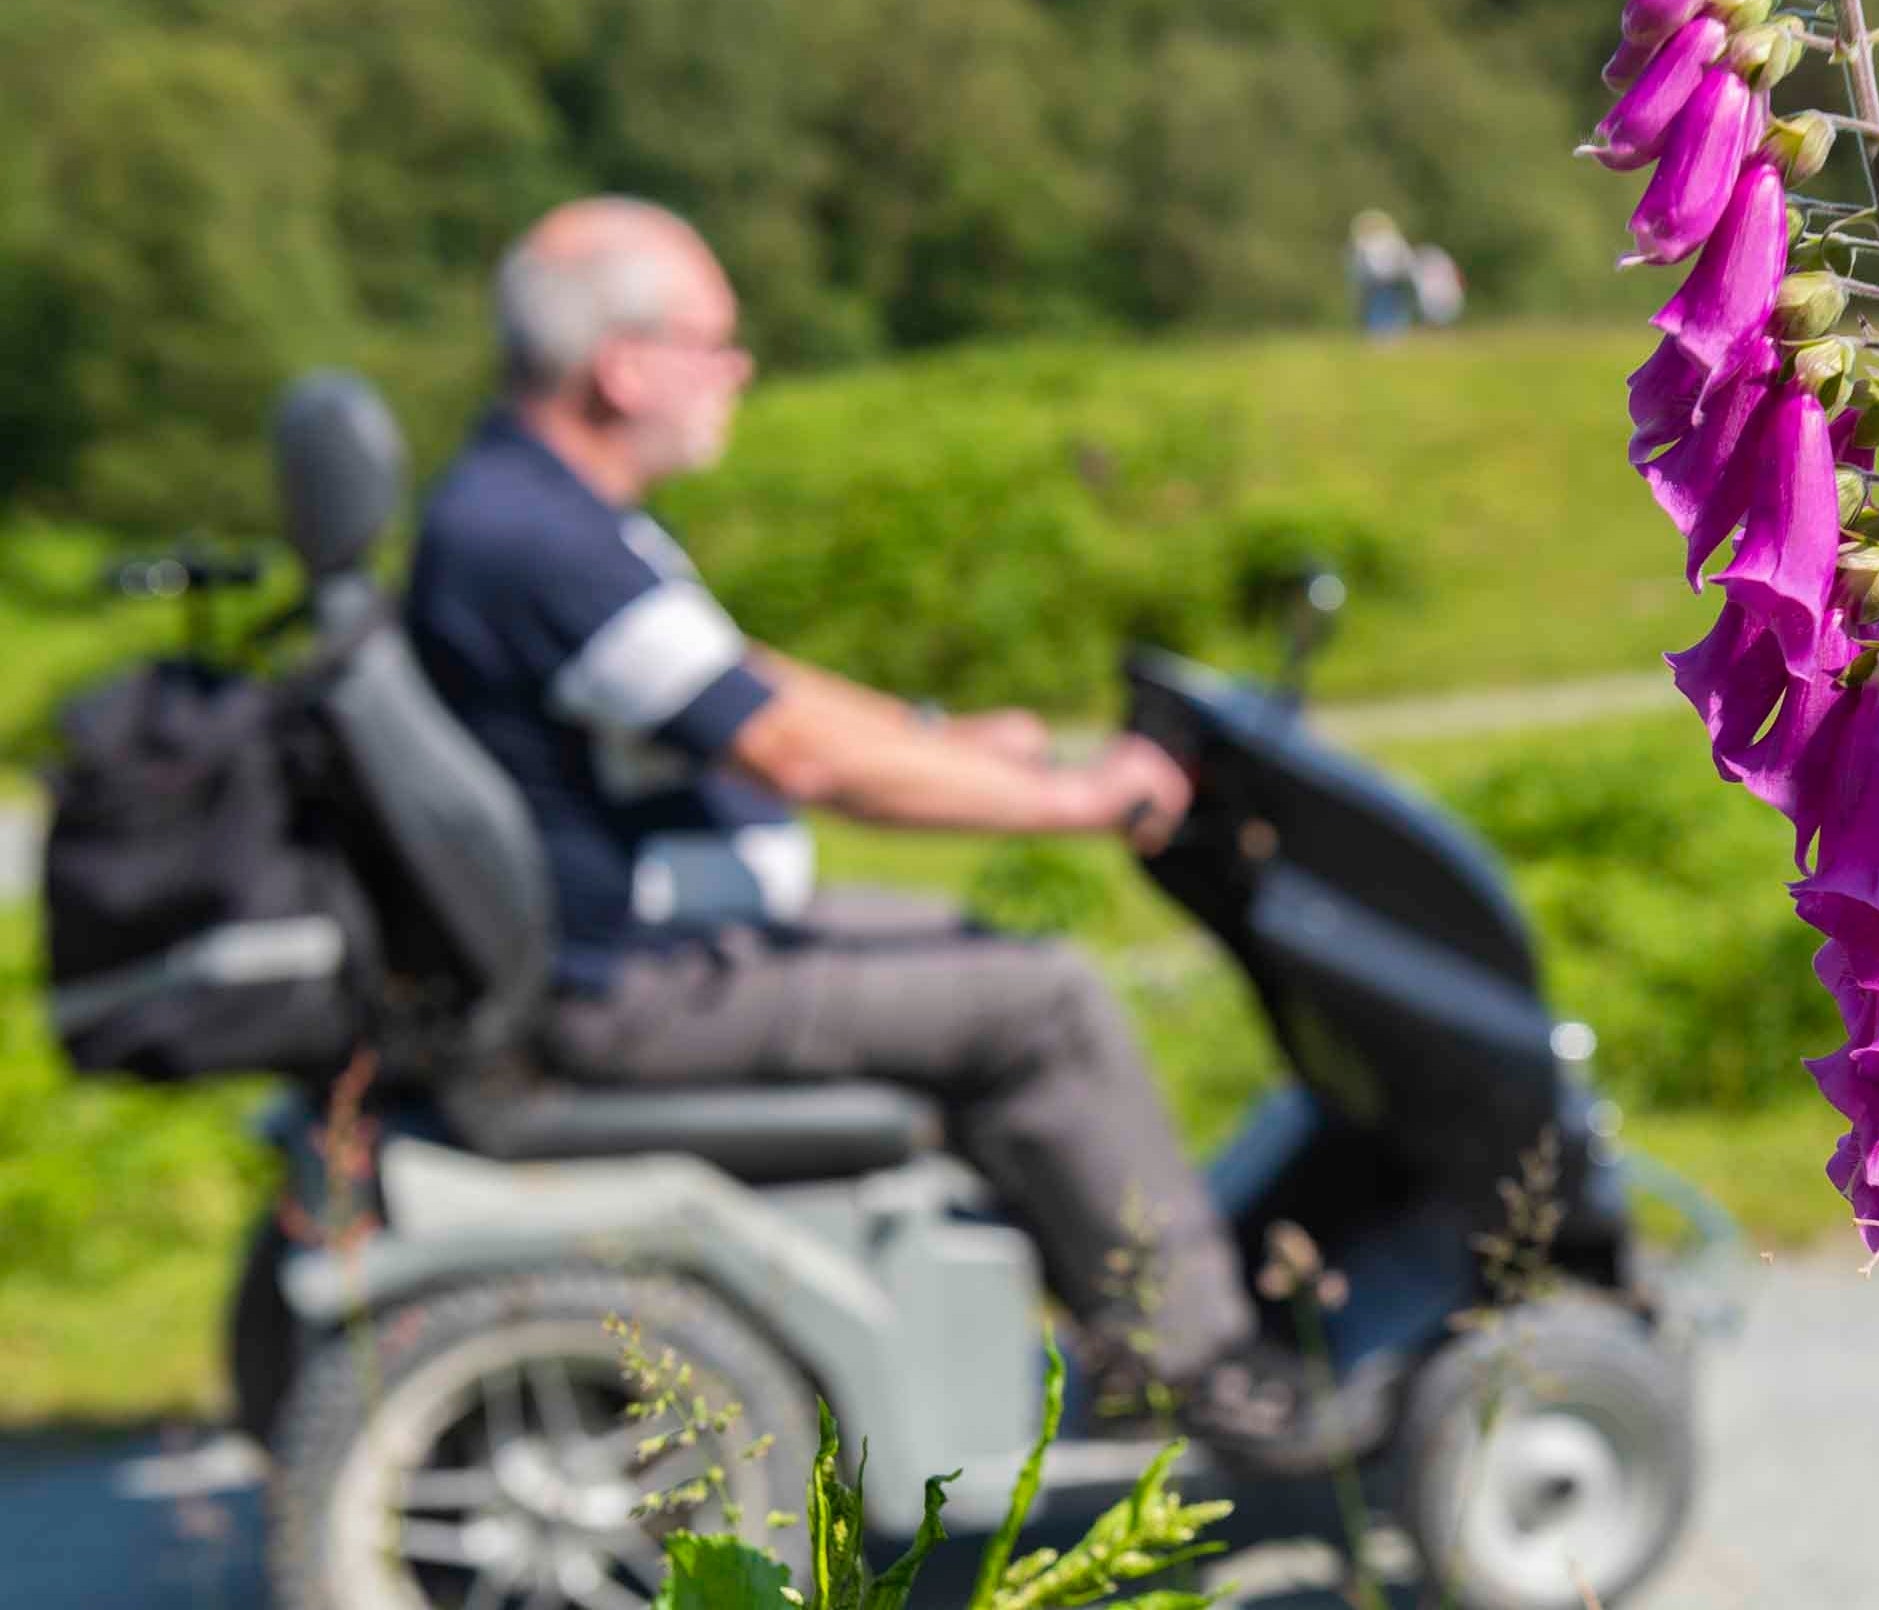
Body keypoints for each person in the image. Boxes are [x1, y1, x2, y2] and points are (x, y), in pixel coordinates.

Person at [405, 197, 1345, 1468]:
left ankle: (1117, 1324)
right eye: (716, 340)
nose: (737, 369)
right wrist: (1074, 799)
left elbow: (744, 678)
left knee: (972, 954)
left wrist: (943, 737)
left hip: (640, 949)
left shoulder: (530, 504)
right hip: (627, 987)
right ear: (624, 366)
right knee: (1047, 1000)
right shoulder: (539, 540)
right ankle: (1209, 1374)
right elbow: (792, 754)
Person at [1344, 210, 1417, 341]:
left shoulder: (1369, 242)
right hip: (1384, 281)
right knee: (1385, 307)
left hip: (1385, 281)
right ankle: (1386, 336)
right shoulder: (1390, 240)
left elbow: (1359, 265)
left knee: (1384, 307)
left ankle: (1385, 336)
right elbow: (1407, 260)